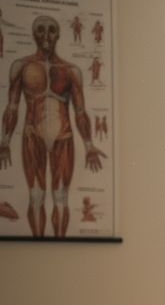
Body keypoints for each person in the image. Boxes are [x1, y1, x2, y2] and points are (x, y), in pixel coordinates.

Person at [0, 15, 106, 238]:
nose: (46, 35)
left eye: (51, 30)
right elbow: (12, 107)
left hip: (63, 137)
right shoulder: (21, 66)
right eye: (40, 30)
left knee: (60, 197)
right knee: (36, 196)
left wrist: (88, 145)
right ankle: (38, 245)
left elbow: (79, 111)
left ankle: (59, 246)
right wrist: (5, 141)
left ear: (58, 34)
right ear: (33, 34)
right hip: (32, 135)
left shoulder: (71, 71)